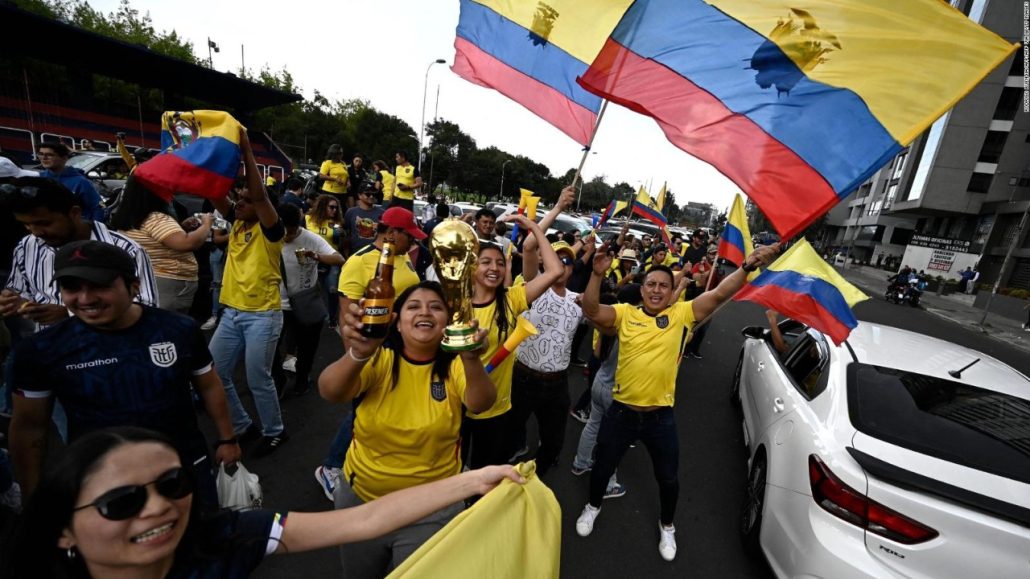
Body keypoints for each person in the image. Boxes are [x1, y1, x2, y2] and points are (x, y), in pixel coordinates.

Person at [11, 426, 523, 579]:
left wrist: (472, 481)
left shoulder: (229, 537)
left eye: (172, 485)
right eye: (121, 503)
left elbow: (365, 518)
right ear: (61, 529)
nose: (157, 508)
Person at [574, 241, 778, 561]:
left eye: (663, 286)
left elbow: (721, 293)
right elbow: (591, 310)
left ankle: (667, 525)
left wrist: (747, 266)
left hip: (660, 418)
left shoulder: (683, 313)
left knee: (668, 477)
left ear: (672, 292)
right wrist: (597, 275)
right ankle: (592, 506)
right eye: (651, 284)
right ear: (642, 290)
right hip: (621, 413)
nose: (656, 290)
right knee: (602, 467)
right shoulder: (626, 315)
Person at [7, 241, 240, 510]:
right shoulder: (41, 349)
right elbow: (29, 427)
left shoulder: (177, 330)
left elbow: (209, 385)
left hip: (184, 469)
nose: (85, 299)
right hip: (104, 482)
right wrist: (33, 500)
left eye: (100, 286)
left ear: (134, 285)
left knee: (205, 542)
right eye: (72, 288)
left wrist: (227, 439)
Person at [318, 282, 497, 577]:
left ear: (447, 323)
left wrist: (471, 358)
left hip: (432, 509)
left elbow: (481, 403)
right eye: (413, 306)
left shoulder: (454, 366)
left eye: (435, 307)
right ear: (397, 323)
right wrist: (357, 354)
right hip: (362, 502)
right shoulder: (380, 359)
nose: (425, 312)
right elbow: (330, 390)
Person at [315, 207, 425, 500]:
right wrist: (354, 362)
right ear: (390, 233)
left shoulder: (403, 259)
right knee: (362, 409)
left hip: (401, 348)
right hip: (372, 350)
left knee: (385, 408)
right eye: (408, 236)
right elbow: (346, 316)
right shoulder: (359, 263)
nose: (413, 242)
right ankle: (331, 466)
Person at [207, 128, 289, 457]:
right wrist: (214, 157)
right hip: (231, 314)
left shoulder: (272, 229)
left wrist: (246, 151)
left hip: (262, 316)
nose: (237, 205)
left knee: (258, 379)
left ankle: (275, 431)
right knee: (215, 373)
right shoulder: (237, 223)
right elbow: (215, 193)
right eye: (236, 201)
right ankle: (242, 425)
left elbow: (259, 197)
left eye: (244, 202)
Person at [463, 213, 564, 469]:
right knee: (452, 471)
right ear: (472, 266)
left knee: (485, 473)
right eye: (485, 262)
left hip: (496, 408)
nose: (494, 269)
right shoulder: (454, 302)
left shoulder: (512, 298)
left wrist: (533, 227)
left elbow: (555, 270)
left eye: (500, 263)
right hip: (455, 405)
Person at [1, 177, 157, 328]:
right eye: (27, 225)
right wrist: (14, 301)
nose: (36, 232)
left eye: (44, 223)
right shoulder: (28, 245)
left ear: (74, 213)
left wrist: (69, 314)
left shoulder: (125, 249)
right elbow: (20, 290)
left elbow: (147, 308)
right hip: (51, 348)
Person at [508, 239, 582, 474]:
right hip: (523, 377)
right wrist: (558, 206)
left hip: (557, 384)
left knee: (553, 443)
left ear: (571, 268)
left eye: (567, 261)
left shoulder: (577, 300)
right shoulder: (533, 286)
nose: (561, 265)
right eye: (556, 259)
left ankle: (534, 480)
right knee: (506, 431)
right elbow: (529, 248)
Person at [108, 177, 213, 314]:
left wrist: (180, 228)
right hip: (169, 281)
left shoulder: (132, 215)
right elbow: (188, 243)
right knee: (169, 327)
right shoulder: (156, 218)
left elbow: (156, 239)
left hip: (149, 276)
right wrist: (206, 224)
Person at [277, 204, 344, 398]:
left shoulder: (310, 239)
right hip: (274, 305)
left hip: (305, 303)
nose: (287, 237)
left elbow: (339, 258)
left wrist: (317, 256)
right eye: (284, 232)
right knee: (269, 348)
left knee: (307, 347)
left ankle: (302, 379)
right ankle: (277, 378)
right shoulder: (268, 237)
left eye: (291, 232)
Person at [36, 142, 103, 222]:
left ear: (64, 158)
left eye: (50, 155)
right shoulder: (39, 178)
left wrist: (94, 229)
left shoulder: (81, 182)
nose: (44, 158)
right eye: (41, 154)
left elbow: (97, 208)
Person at [306, 195, 344, 329]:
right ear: (323, 206)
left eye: (336, 208)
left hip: (331, 259)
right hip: (311, 260)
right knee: (311, 289)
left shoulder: (337, 223)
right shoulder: (308, 219)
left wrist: (340, 234)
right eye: (331, 207)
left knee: (332, 289)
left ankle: (332, 317)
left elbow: (339, 243)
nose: (334, 210)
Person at [343, 187, 384, 256]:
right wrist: (346, 254)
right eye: (368, 194)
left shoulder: (382, 213)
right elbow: (346, 235)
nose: (371, 196)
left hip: (375, 254)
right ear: (359, 195)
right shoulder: (351, 212)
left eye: (374, 194)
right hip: (355, 253)